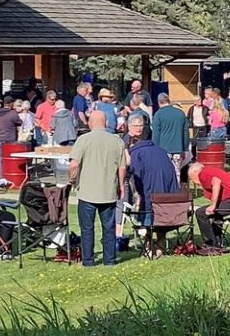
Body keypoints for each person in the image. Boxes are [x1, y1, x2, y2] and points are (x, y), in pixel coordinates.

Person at [68, 106, 127, 267]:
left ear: (90, 123)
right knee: (109, 228)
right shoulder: (117, 141)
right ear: (106, 123)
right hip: (108, 190)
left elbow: (73, 165)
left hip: (87, 191)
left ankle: (88, 260)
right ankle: (110, 259)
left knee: (87, 228)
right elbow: (122, 167)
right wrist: (121, 185)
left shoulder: (83, 140)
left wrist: (73, 180)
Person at [126, 115, 182, 258]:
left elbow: (136, 175)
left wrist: (135, 194)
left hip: (151, 192)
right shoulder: (159, 149)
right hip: (169, 194)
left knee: (148, 214)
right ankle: (161, 247)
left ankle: (148, 247)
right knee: (161, 215)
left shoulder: (136, 153)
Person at [187, 156, 230, 248]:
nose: (193, 181)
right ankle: (217, 242)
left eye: (191, 178)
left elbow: (216, 182)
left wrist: (213, 205)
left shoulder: (203, 173)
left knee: (201, 212)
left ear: (195, 172)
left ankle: (209, 244)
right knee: (216, 214)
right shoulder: (214, 170)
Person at [151, 92, 188, 167]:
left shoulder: (158, 114)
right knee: (177, 174)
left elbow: (156, 134)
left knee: (165, 173)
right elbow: (185, 133)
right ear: (168, 101)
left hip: (163, 150)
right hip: (178, 149)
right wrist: (185, 149)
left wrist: (155, 149)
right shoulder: (180, 113)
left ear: (159, 102)